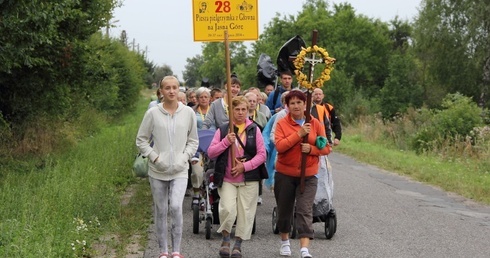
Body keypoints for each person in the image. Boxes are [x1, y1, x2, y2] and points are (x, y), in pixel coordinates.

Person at [136, 76, 199, 258]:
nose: (171, 91)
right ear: (161, 91)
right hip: (158, 170)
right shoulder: (153, 113)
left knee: (176, 207)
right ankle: (163, 251)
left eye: (174, 87)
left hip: (180, 169)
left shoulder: (187, 113)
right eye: (167, 88)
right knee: (161, 209)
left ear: (179, 89)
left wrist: (184, 158)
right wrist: (155, 158)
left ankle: (177, 251)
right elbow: (141, 140)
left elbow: (193, 141)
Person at [274, 90, 331, 258]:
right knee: (284, 209)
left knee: (304, 209)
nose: (296, 106)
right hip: (285, 174)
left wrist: (312, 149)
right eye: (292, 103)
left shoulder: (315, 124)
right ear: (287, 106)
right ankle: (285, 241)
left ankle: (304, 249)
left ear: (305, 104)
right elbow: (280, 146)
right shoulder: (282, 124)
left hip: (308, 175)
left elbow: (326, 147)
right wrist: (298, 134)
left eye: (299, 102)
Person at [207, 96, 266, 258]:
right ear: (231, 111)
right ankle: (226, 239)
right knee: (227, 208)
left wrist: (244, 166)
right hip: (227, 178)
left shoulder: (255, 129)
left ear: (248, 111)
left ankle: (238, 244)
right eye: (237, 109)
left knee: (245, 212)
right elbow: (211, 152)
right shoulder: (224, 129)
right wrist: (226, 142)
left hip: (249, 178)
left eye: (243, 109)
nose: (240, 113)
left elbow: (262, 155)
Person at [190, 87, 211, 206]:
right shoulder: (191, 112)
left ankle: (208, 194)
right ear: (197, 99)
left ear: (210, 98)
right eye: (201, 97)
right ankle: (196, 193)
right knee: (197, 171)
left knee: (211, 170)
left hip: (212, 144)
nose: (203, 99)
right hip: (196, 145)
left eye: (206, 97)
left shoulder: (214, 110)